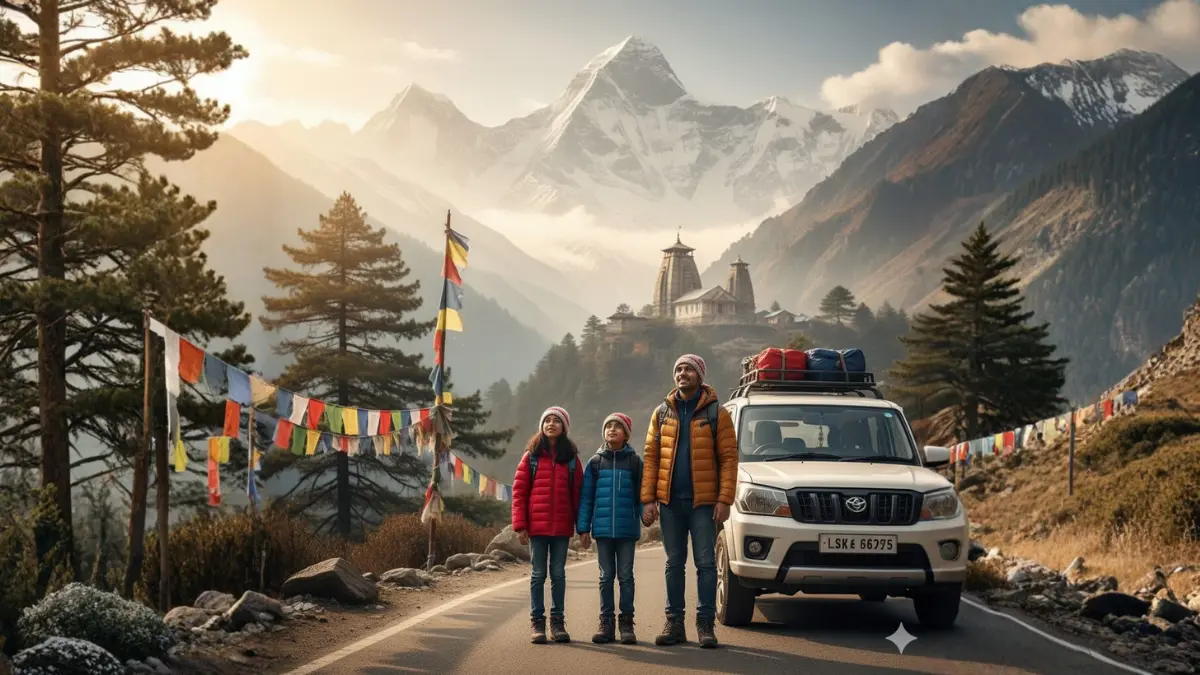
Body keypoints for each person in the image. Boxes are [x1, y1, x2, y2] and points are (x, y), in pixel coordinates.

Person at [641, 354, 738, 648]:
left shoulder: (717, 414)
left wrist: (724, 499)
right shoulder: (661, 413)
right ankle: (674, 624)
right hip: (670, 503)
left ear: (700, 375)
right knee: (674, 563)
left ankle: (706, 625)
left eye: (689, 369)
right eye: (679, 369)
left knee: (707, 564)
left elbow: (729, 459)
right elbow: (651, 457)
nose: (682, 373)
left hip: (704, 504)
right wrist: (648, 499)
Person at [512, 406, 584, 644]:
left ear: (564, 427)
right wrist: (520, 525)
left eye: (557, 421)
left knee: (558, 574)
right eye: (547, 420)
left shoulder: (572, 459)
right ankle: (537, 623)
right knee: (538, 574)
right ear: (541, 426)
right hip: (537, 529)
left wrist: (582, 527)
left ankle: (557, 622)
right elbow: (519, 492)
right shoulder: (531, 457)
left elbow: (579, 495)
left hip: (562, 528)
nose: (551, 424)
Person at [576, 412, 643, 645]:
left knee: (626, 577)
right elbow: (586, 498)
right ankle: (606, 624)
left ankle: (626, 624)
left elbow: (643, 495)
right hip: (603, 531)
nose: (612, 429)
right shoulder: (595, 462)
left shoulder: (635, 462)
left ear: (626, 434)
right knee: (606, 577)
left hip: (627, 530)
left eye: (618, 426)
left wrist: (645, 514)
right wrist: (583, 528)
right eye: (608, 426)